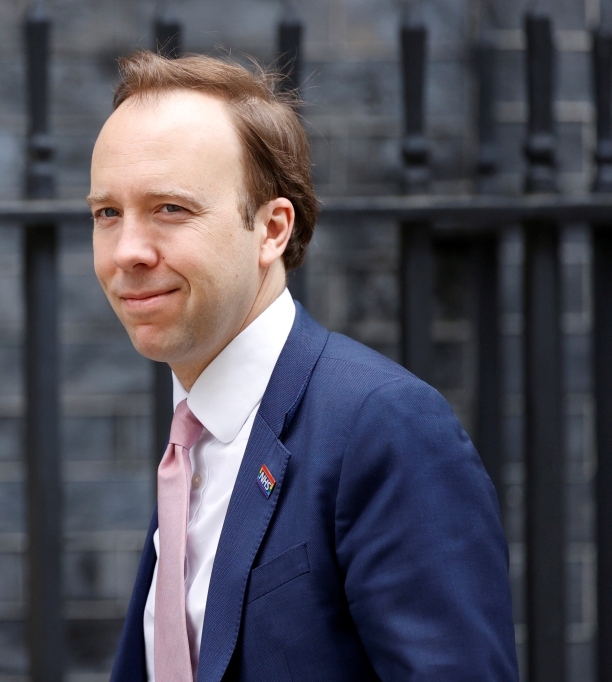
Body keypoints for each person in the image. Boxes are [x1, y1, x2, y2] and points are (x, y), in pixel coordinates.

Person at [88, 51, 518, 682]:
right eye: (107, 213)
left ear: (272, 230)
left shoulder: (385, 426)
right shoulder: (193, 439)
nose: (127, 250)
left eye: (171, 209)